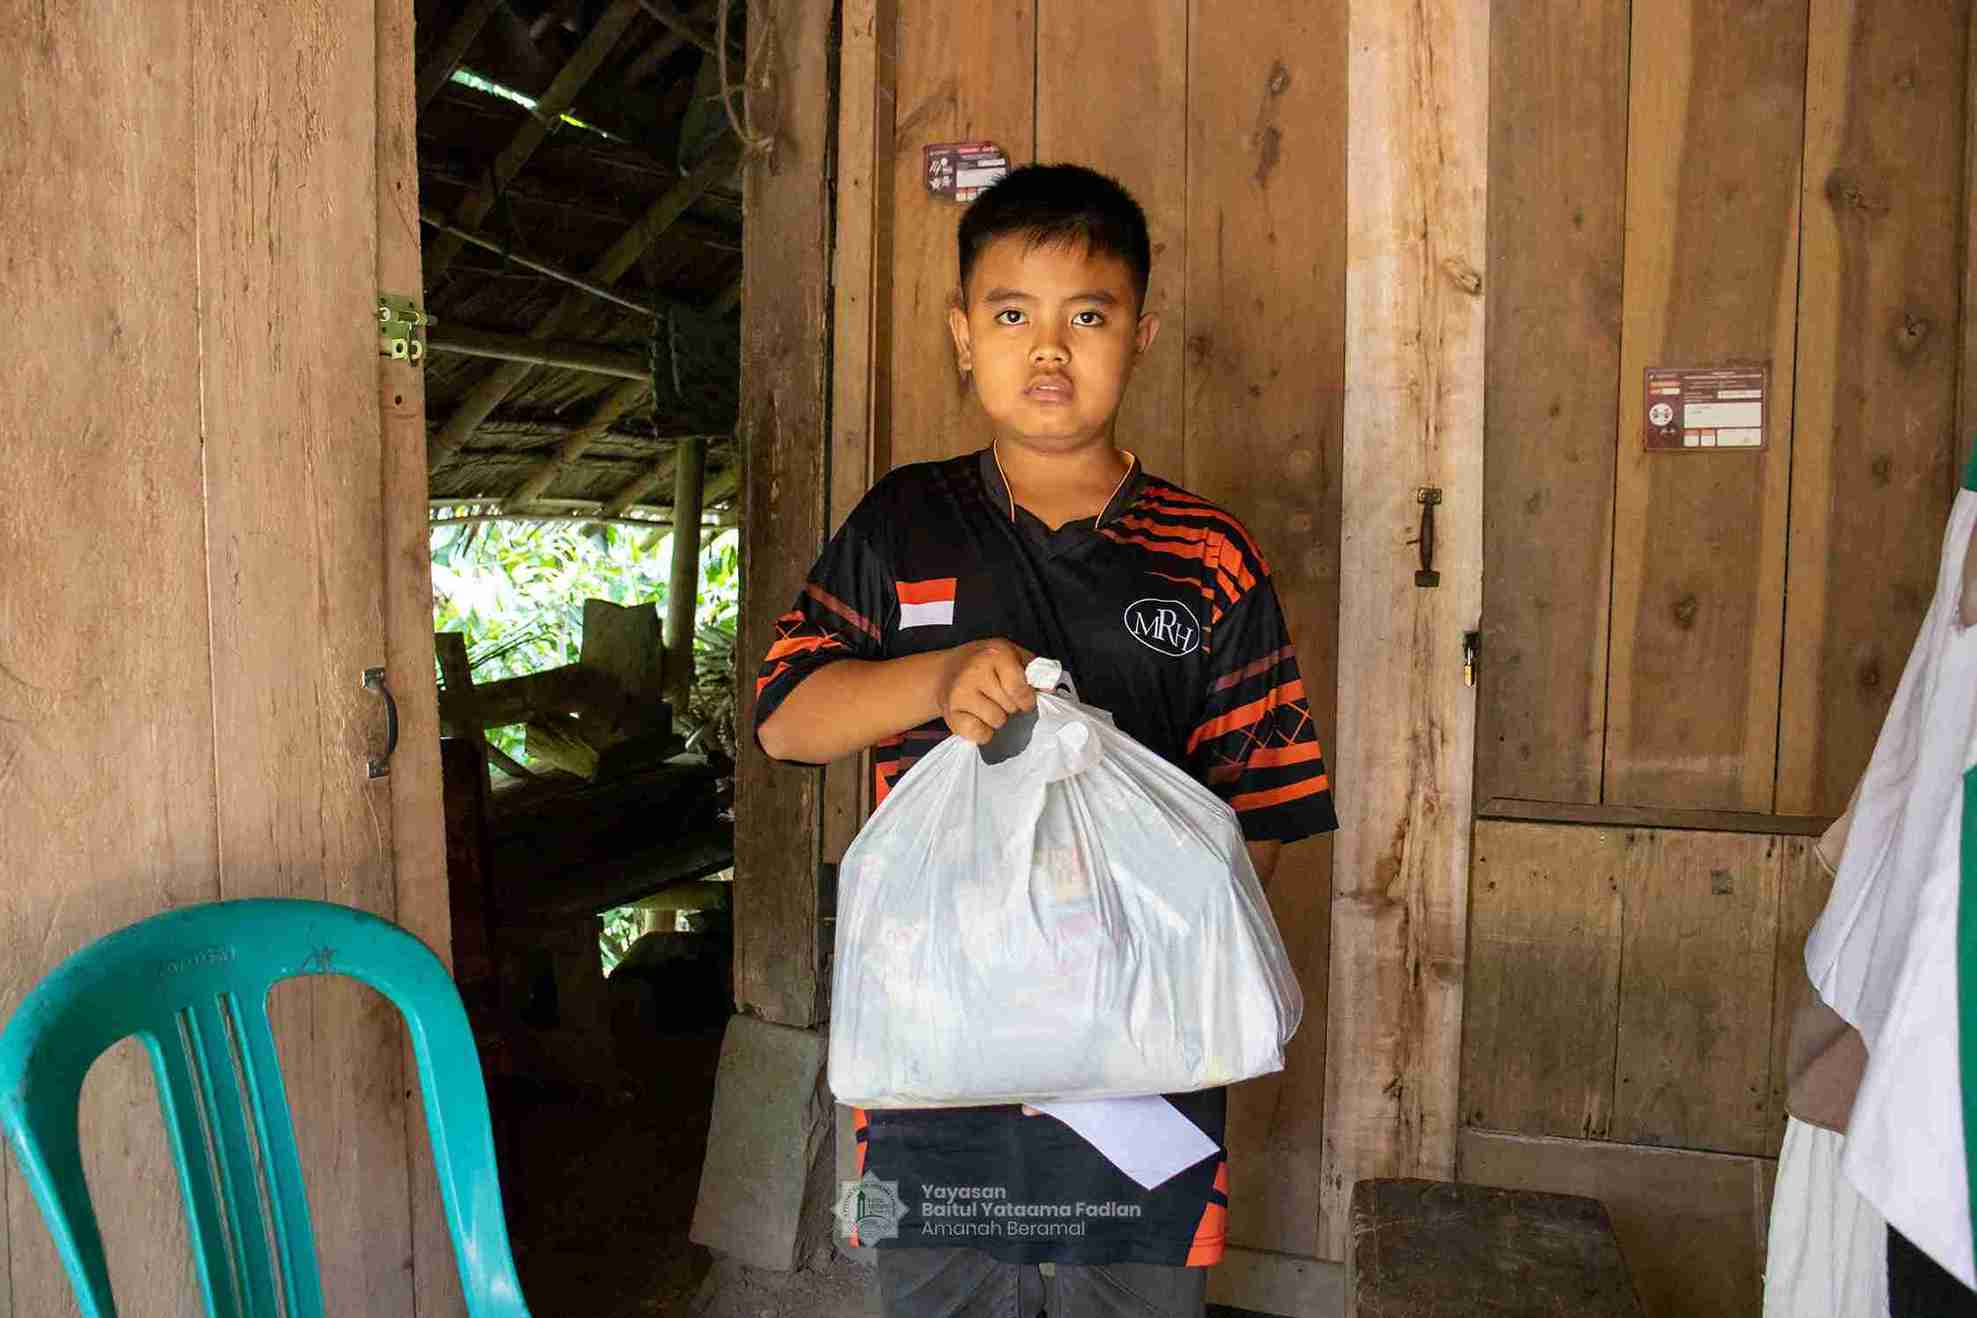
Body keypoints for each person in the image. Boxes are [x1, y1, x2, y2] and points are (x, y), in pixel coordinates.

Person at [754, 163, 1337, 1318]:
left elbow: (1260, 808)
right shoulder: (902, 520)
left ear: (1142, 334)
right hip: (935, 1041)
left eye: (1090, 315)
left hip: (1142, 1060)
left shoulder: (1207, 556)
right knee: (942, 1290)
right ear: (963, 335)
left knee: (1131, 1293)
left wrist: (1142, 968)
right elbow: (786, 718)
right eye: (1014, 314)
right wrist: (932, 678)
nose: (1050, 350)